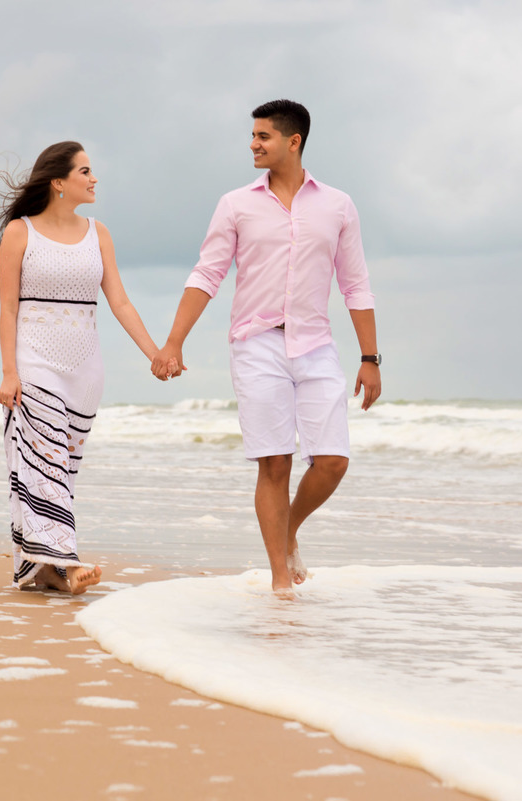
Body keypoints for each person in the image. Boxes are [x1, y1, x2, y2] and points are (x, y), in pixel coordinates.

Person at [151, 100, 382, 595]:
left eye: (263, 136)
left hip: (316, 344)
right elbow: (208, 273)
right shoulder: (236, 204)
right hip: (256, 344)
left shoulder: (338, 205)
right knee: (274, 461)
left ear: (293, 141)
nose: (253, 144)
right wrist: (174, 341)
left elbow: (356, 285)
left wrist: (370, 358)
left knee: (333, 460)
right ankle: (281, 579)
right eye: (252, 136)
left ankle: (289, 528)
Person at [0, 142, 164, 594]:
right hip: (34, 365)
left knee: (60, 468)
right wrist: (9, 373)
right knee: (43, 460)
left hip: (85, 368)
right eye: (85, 171)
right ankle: (68, 562)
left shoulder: (98, 233)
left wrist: (155, 353)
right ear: (58, 181)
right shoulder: (20, 232)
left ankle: (41, 569)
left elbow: (121, 303)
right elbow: (8, 309)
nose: (93, 180)